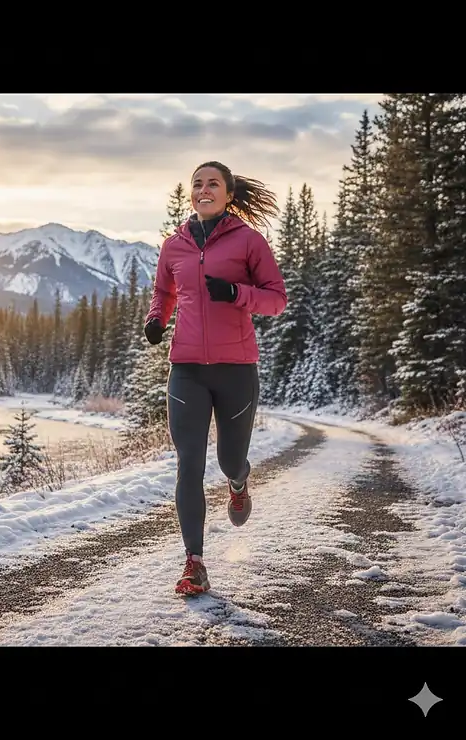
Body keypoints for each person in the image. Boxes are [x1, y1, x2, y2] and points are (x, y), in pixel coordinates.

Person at [144, 160, 287, 596]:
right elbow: (164, 292)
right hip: (186, 368)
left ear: (228, 193)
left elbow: (276, 299)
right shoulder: (174, 245)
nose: (203, 190)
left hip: (236, 369)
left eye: (213, 184)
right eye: (197, 184)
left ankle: (239, 483)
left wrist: (237, 294)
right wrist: (156, 319)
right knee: (189, 462)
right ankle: (195, 563)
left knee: (228, 460)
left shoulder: (249, 241)